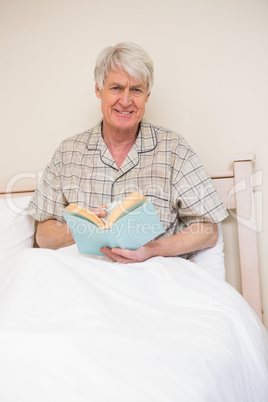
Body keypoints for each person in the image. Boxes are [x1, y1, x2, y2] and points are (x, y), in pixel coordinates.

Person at [27, 42, 228, 264]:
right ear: (98, 90)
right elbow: (44, 236)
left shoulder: (174, 149)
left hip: (155, 277)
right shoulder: (67, 153)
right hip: (87, 281)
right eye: (116, 88)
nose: (125, 101)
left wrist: (153, 249)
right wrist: (86, 228)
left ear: (147, 95)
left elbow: (208, 230)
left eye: (136, 90)